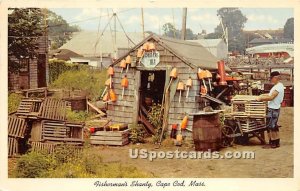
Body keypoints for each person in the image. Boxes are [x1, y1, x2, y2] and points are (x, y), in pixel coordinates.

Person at [257, 71, 284, 148]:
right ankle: (275, 142)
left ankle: (273, 143)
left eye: (271, 78)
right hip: (273, 108)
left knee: (271, 126)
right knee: (272, 126)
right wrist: (262, 95)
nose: (270, 80)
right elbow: (269, 95)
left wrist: (260, 98)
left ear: (275, 78)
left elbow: (271, 97)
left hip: (273, 109)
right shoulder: (277, 86)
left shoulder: (278, 87)